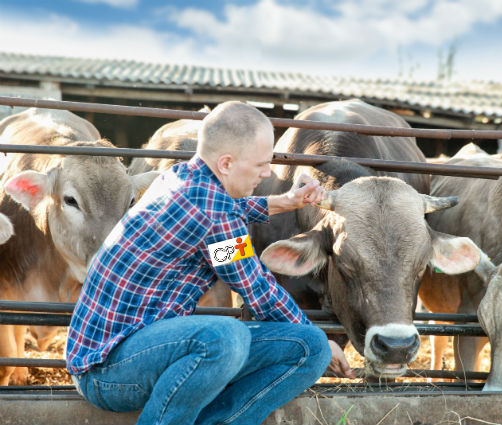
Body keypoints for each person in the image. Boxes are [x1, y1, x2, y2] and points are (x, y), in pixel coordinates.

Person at [66, 101, 354, 425]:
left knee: (311, 347)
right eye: (260, 164)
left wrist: (285, 202)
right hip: (106, 369)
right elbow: (256, 288)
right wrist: (327, 340)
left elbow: (230, 209)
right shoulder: (214, 216)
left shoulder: (185, 177)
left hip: (150, 347)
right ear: (227, 163)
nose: (267, 173)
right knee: (225, 338)